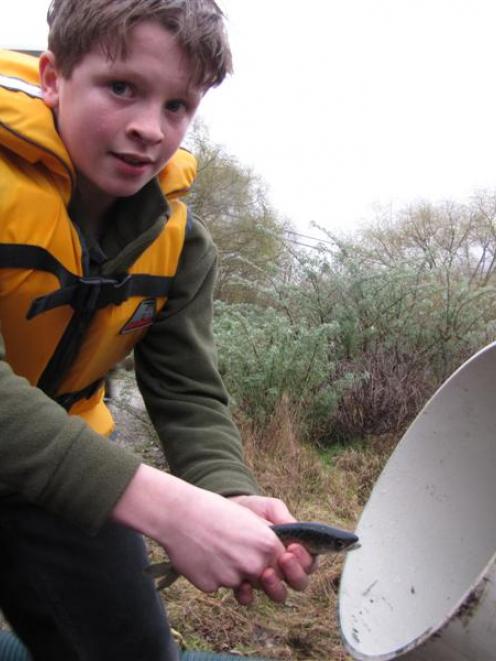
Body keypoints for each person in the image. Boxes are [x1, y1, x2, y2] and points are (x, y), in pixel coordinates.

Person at [0, 1, 315, 659]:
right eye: (122, 88)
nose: (150, 128)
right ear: (55, 77)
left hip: (67, 465)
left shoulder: (182, 246)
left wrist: (228, 495)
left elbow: (188, 392)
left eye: (178, 106)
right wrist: (169, 509)